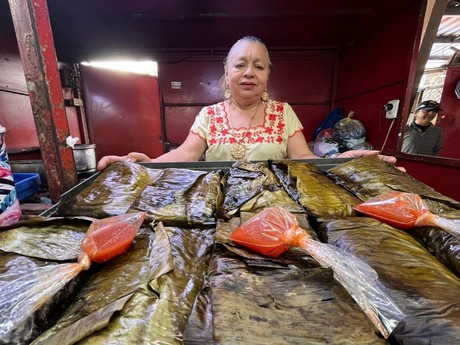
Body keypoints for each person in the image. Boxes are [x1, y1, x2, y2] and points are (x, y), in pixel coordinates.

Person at [97, 36, 397, 170]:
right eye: (240, 65)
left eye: (259, 66)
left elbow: (303, 159)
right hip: (217, 209)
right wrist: (147, 163)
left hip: (275, 209)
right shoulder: (209, 115)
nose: (249, 73)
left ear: (268, 75)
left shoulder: (283, 112)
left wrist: (341, 161)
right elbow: (185, 154)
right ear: (227, 73)